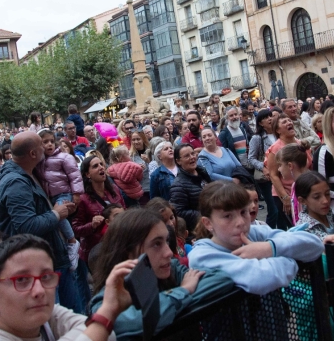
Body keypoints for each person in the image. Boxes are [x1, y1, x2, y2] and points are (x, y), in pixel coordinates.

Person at [90, 209, 234, 339]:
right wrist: (182, 292)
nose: (169, 252)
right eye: (156, 244)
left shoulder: (171, 269)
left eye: (166, 241)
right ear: (127, 251)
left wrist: (169, 307)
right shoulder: (108, 297)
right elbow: (125, 323)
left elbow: (223, 278)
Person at [0, 234, 130, 341]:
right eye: (21, 279)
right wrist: (107, 312)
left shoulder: (47, 317)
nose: (39, 290)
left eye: (46, 277)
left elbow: (108, 336)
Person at [0, 132, 81, 313]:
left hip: (52, 257)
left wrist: (60, 211)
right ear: (33, 154)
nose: (46, 147)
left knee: (71, 316)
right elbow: (26, 226)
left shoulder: (29, 173)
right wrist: (56, 215)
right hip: (37, 266)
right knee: (53, 318)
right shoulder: (15, 182)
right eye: (41, 144)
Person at [188, 182, 323, 296]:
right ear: (208, 223)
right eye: (228, 216)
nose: (240, 222)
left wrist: (269, 248)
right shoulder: (202, 256)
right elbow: (261, 278)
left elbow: (315, 245)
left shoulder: (255, 233)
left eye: (243, 212)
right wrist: (293, 258)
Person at [71, 155, 125, 309]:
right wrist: (92, 225)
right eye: (95, 166)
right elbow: (76, 229)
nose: (101, 167)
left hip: (118, 245)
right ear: (87, 174)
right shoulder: (83, 199)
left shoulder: (113, 190)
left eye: (102, 164)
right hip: (97, 252)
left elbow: (125, 211)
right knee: (106, 288)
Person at [36, 128, 82, 266]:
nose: (49, 144)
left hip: (64, 193)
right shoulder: (40, 161)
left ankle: (73, 241)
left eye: (51, 141)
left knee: (59, 216)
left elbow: (75, 176)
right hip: (50, 196)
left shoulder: (64, 157)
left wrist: (77, 194)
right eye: (45, 142)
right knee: (55, 218)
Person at [266, 114, 307, 229]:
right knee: (295, 226)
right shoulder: (275, 148)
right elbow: (273, 175)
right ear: (278, 130)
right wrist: (285, 198)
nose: (289, 122)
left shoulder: (300, 144)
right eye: (284, 122)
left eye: (289, 120)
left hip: (302, 191)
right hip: (285, 193)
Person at [170, 143, 212, 232]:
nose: (192, 157)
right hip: (200, 228)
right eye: (186, 156)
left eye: (193, 153)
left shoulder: (202, 172)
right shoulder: (178, 185)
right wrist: (205, 215)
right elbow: (180, 212)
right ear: (178, 161)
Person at [248, 109, 278, 228]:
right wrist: (263, 167)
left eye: (271, 116)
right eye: (266, 118)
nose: (270, 119)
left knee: (281, 209)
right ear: (260, 123)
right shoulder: (257, 138)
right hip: (266, 179)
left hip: (280, 175)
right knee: (273, 209)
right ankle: (266, 232)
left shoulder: (279, 134)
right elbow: (251, 158)